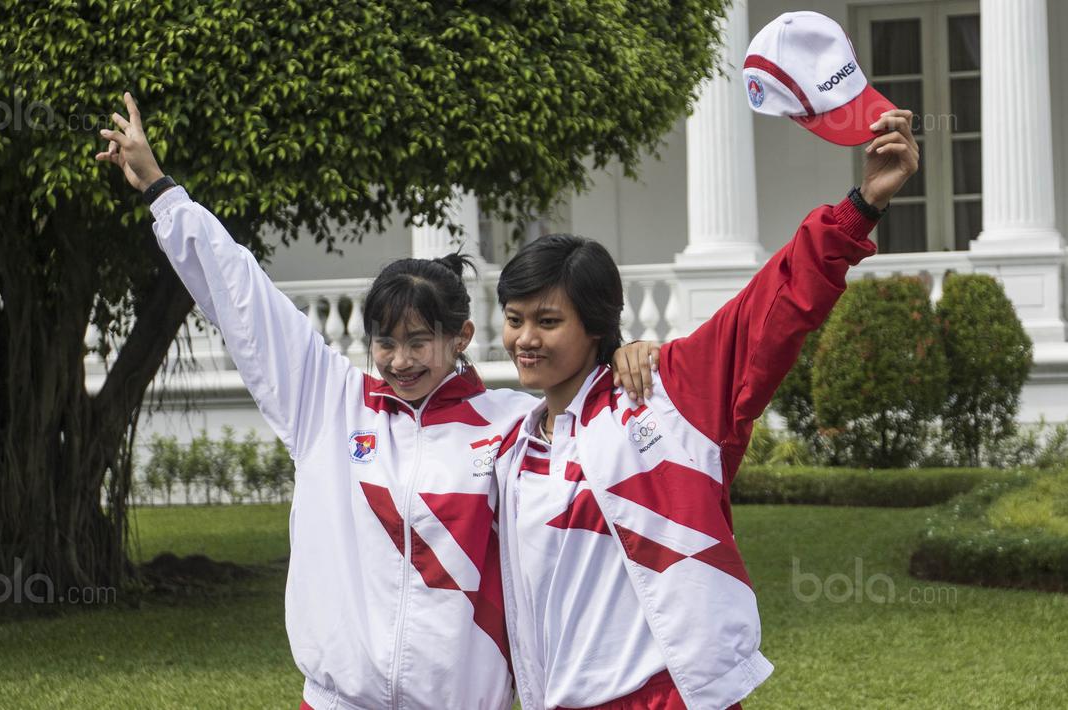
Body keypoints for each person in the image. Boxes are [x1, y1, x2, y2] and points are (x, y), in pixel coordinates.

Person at [95, 93, 659, 710]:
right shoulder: (328, 403)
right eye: (385, 343)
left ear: (461, 337)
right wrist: (161, 191)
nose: (400, 360)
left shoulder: (515, 428)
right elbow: (241, 295)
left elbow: (599, 460)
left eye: (419, 341)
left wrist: (624, 359)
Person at [491, 111, 920, 710]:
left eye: (548, 321)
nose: (525, 340)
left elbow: (773, 308)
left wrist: (862, 204)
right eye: (514, 320)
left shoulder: (665, 398)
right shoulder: (507, 442)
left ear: (594, 326)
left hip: (667, 698)